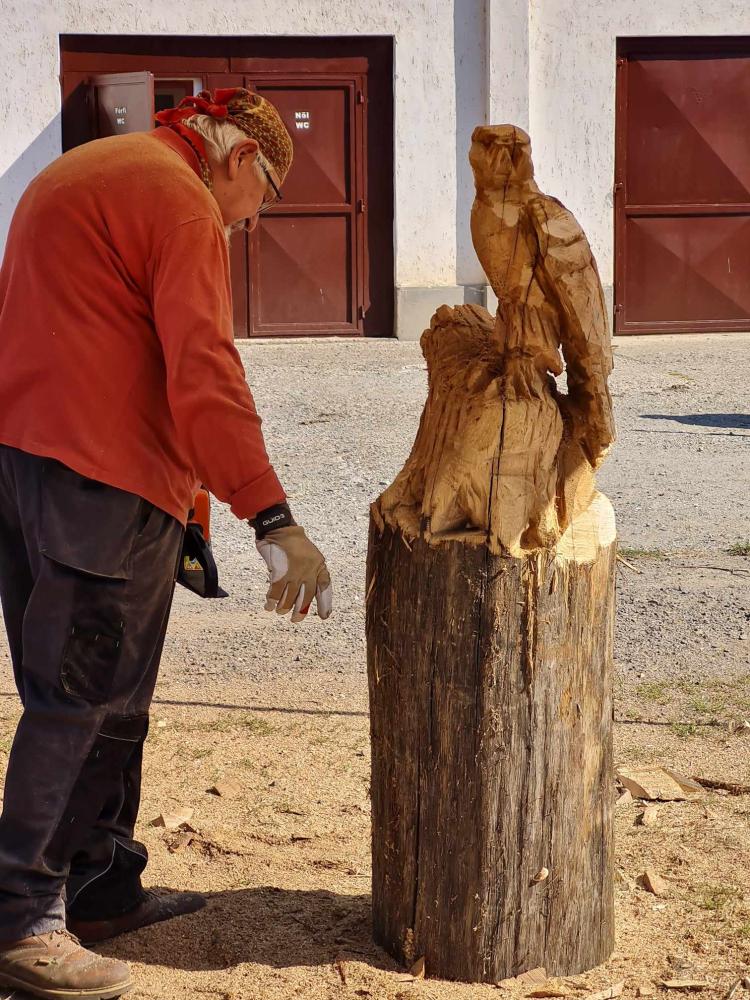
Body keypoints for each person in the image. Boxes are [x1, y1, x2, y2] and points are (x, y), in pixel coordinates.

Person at [0, 87, 332, 1000]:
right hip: (101, 480)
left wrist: (188, 506)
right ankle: (23, 920)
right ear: (239, 158)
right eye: (261, 201)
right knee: (80, 700)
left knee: (98, 695)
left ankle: (100, 883)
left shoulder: (83, 170)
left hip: (27, 463)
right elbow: (203, 367)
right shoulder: (181, 200)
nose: (250, 223)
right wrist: (272, 518)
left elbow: (111, 343)